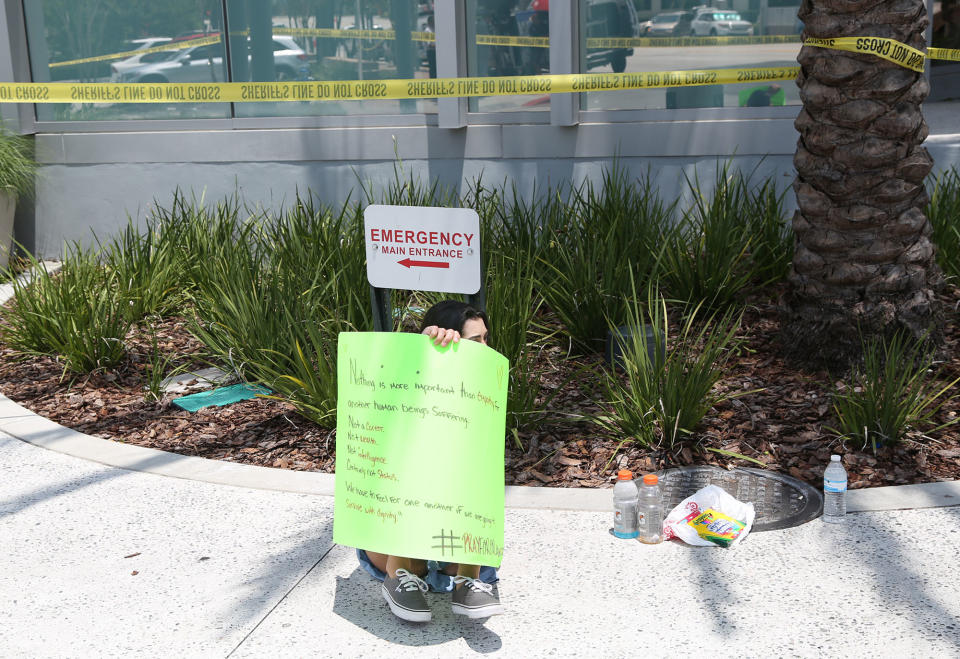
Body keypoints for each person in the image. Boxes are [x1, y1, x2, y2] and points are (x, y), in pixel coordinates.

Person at [356, 300, 503, 622]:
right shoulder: (411, 382)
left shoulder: (483, 388)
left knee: (468, 466)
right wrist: (423, 355)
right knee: (417, 460)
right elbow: (388, 413)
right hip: (398, 543)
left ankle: (467, 581)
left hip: (455, 546)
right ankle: (399, 581)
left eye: (485, 339)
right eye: (474, 340)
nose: (484, 347)